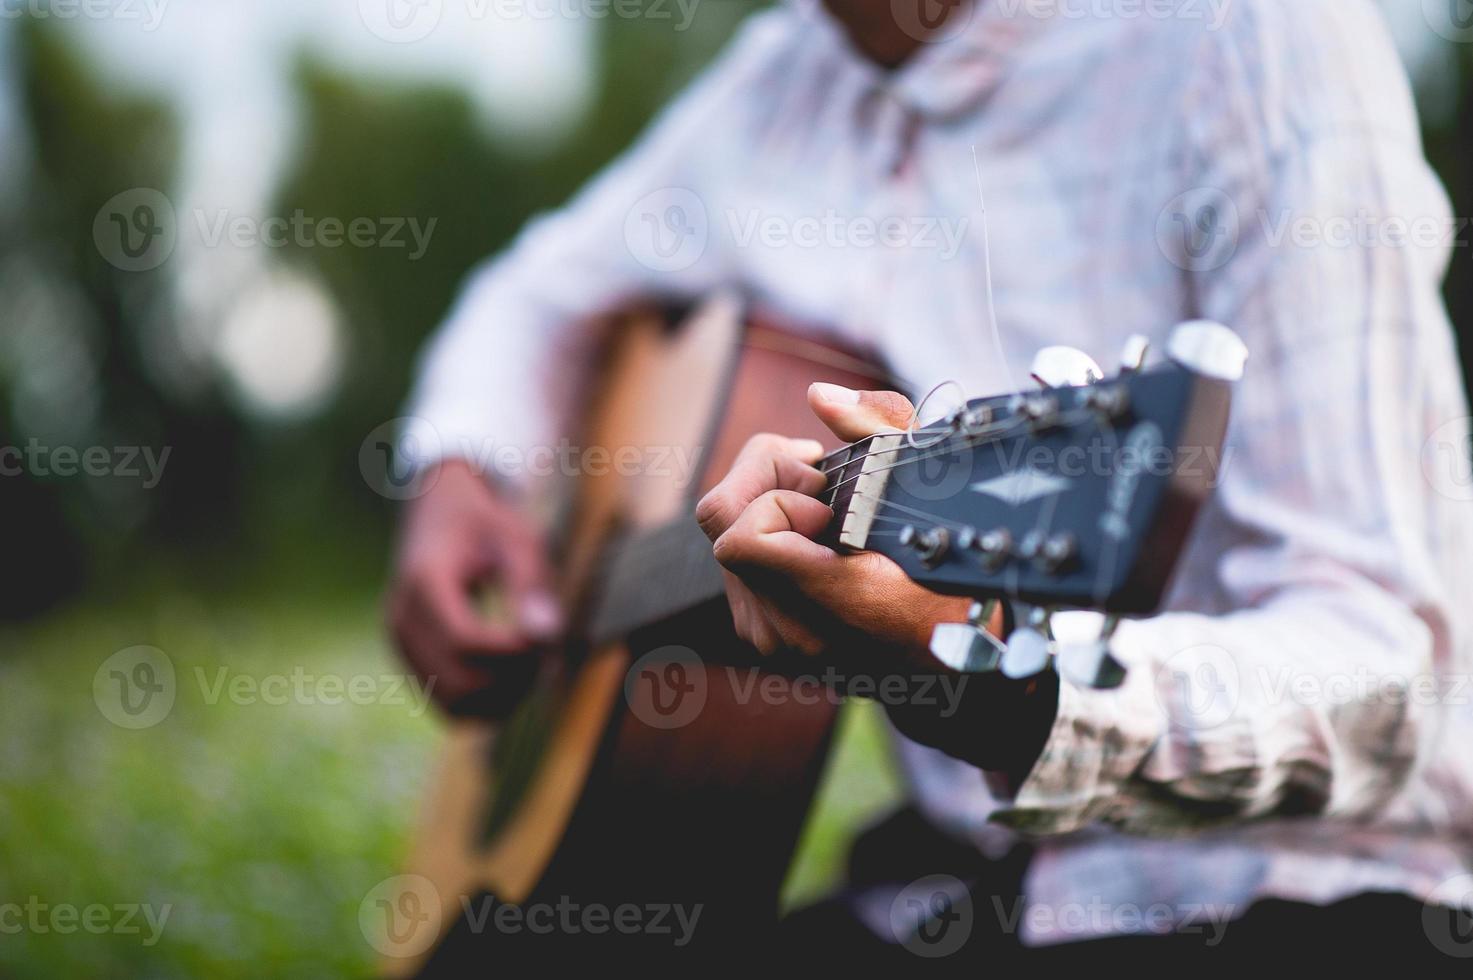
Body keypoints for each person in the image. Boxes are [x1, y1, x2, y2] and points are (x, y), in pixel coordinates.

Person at [389, 0, 1473, 964]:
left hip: (1293, 899)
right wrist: (459, 473)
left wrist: (993, 688)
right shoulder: (791, 69)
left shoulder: (1252, 40)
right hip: (961, 884)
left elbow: (1383, 670)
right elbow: (535, 292)